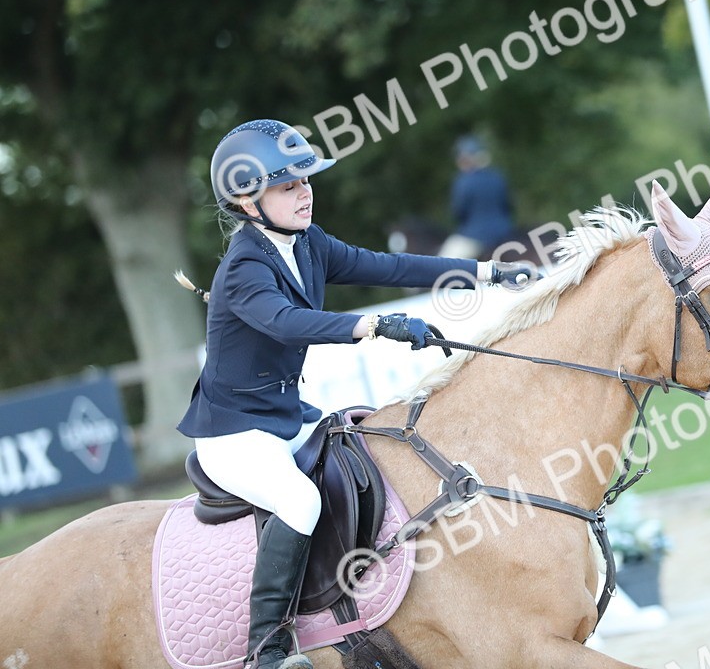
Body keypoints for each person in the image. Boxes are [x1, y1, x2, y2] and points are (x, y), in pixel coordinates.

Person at [177, 119, 536, 669]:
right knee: (300, 502)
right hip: (234, 432)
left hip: (284, 415)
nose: (304, 193)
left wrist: (486, 270)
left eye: (305, 181)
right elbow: (286, 322)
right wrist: (370, 327)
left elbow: (391, 266)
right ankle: (267, 650)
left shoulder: (310, 244)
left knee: (374, 450)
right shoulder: (243, 268)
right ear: (248, 200)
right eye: (287, 186)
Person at [439, 134, 515, 260]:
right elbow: (508, 206)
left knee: (443, 263)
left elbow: (458, 212)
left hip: (475, 236)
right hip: (506, 233)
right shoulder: (498, 176)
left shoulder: (463, 181)